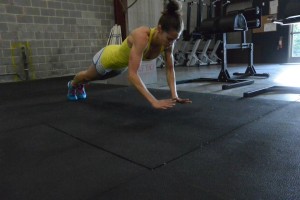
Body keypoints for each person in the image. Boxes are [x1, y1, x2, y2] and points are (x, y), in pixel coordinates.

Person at [67, 0, 192, 109]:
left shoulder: (168, 44)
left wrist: (174, 95)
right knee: (88, 77)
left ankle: (80, 84)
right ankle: (72, 84)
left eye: (176, 39)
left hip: (120, 67)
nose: (172, 43)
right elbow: (132, 75)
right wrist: (154, 101)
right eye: (169, 38)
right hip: (107, 58)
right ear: (159, 29)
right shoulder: (142, 36)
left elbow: (170, 70)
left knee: (96, 79)